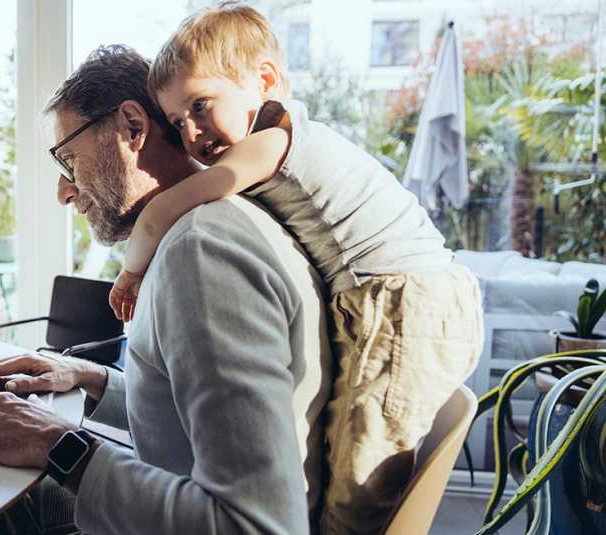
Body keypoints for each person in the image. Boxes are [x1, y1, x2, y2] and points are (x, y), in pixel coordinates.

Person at [106, 5, 484, 534]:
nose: (192, 132)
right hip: (402, 296)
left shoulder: (272, 139)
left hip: (405, 300)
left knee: (360, 486)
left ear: (264, 81)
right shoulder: (282, 140)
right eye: (177, 121)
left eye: (200, 104)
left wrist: (130, 272)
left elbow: (171, 206)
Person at [0, 44, 332, 535]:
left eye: (68, 159)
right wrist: (88, 377)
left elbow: (257, 525)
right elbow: (179, 418)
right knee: (4, 477)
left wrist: (59, 445)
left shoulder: (201, 256)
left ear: (133, 128)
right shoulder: (200, 232)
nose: (64, 191)